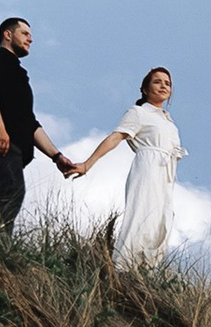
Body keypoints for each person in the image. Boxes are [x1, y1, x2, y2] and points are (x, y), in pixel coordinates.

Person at [0, 14, 84, 234]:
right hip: (1, 144)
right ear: (7, 34)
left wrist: (56, 156)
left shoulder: (20, 73)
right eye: (24, 33)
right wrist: (0, 129)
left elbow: (29, 123)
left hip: (14, 149)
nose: (30, 39)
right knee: (12, 190)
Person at [78, 66, 183, 262]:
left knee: (161, 221)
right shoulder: (138, 112)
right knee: (141, 215)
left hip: (166, 176)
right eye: (157, 81)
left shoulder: (170, 124)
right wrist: (87, 163)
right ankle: (122, 266)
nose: (163, 86)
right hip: (147, 168)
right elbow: (115, 137)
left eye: (167, 83)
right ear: (144, 89)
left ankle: (145, 273)